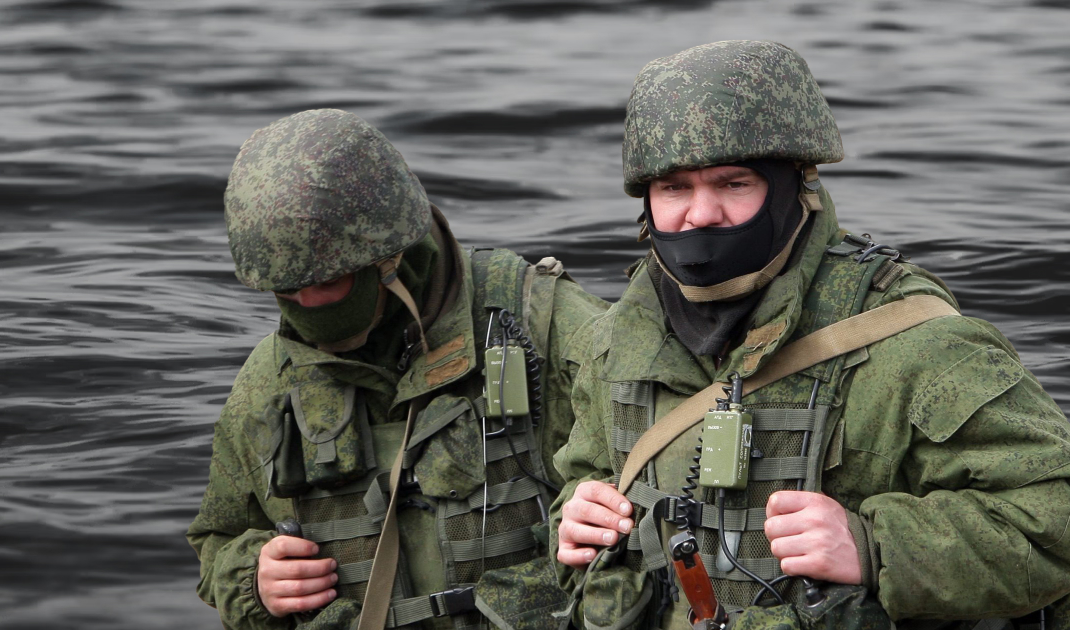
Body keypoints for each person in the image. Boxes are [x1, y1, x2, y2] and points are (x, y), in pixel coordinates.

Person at [550, 40, 1070, 630]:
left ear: (794, 187)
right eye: (673, 188)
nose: (700, 214)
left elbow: (1053, 521)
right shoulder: (616, 341)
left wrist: (876, 548)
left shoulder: (915, 343)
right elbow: (580, 481)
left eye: (733, 183)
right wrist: (575, 522)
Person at [187, 108, 609, 630]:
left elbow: (651, 461)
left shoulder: (537, 323)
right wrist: (254, 579)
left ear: (389, 259)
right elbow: (219, 538)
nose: (306, 303)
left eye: (326, 282)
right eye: (287, 289)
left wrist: (589, 514)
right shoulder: (270, 383)